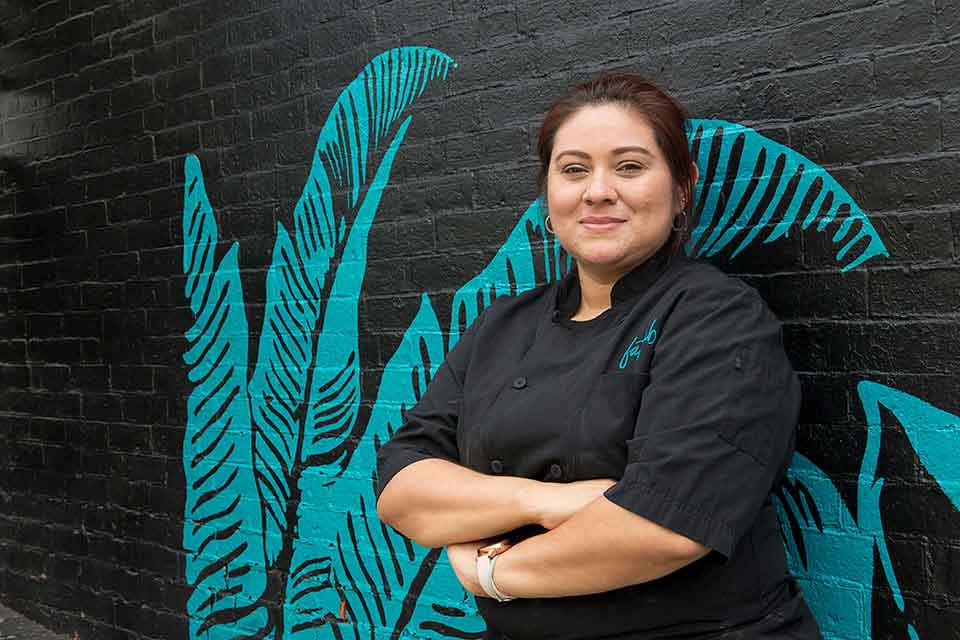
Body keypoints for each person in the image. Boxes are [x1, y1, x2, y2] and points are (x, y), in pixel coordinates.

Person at [374, 73, 823, 640]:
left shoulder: (717, 317)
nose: (598, 191)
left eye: (630, 167)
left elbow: (667, 526)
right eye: (574, 169)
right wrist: (545, 501)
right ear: (548, 194)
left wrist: (493, 572)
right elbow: (401, 483)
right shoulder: (503, 326)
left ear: (684, 186)